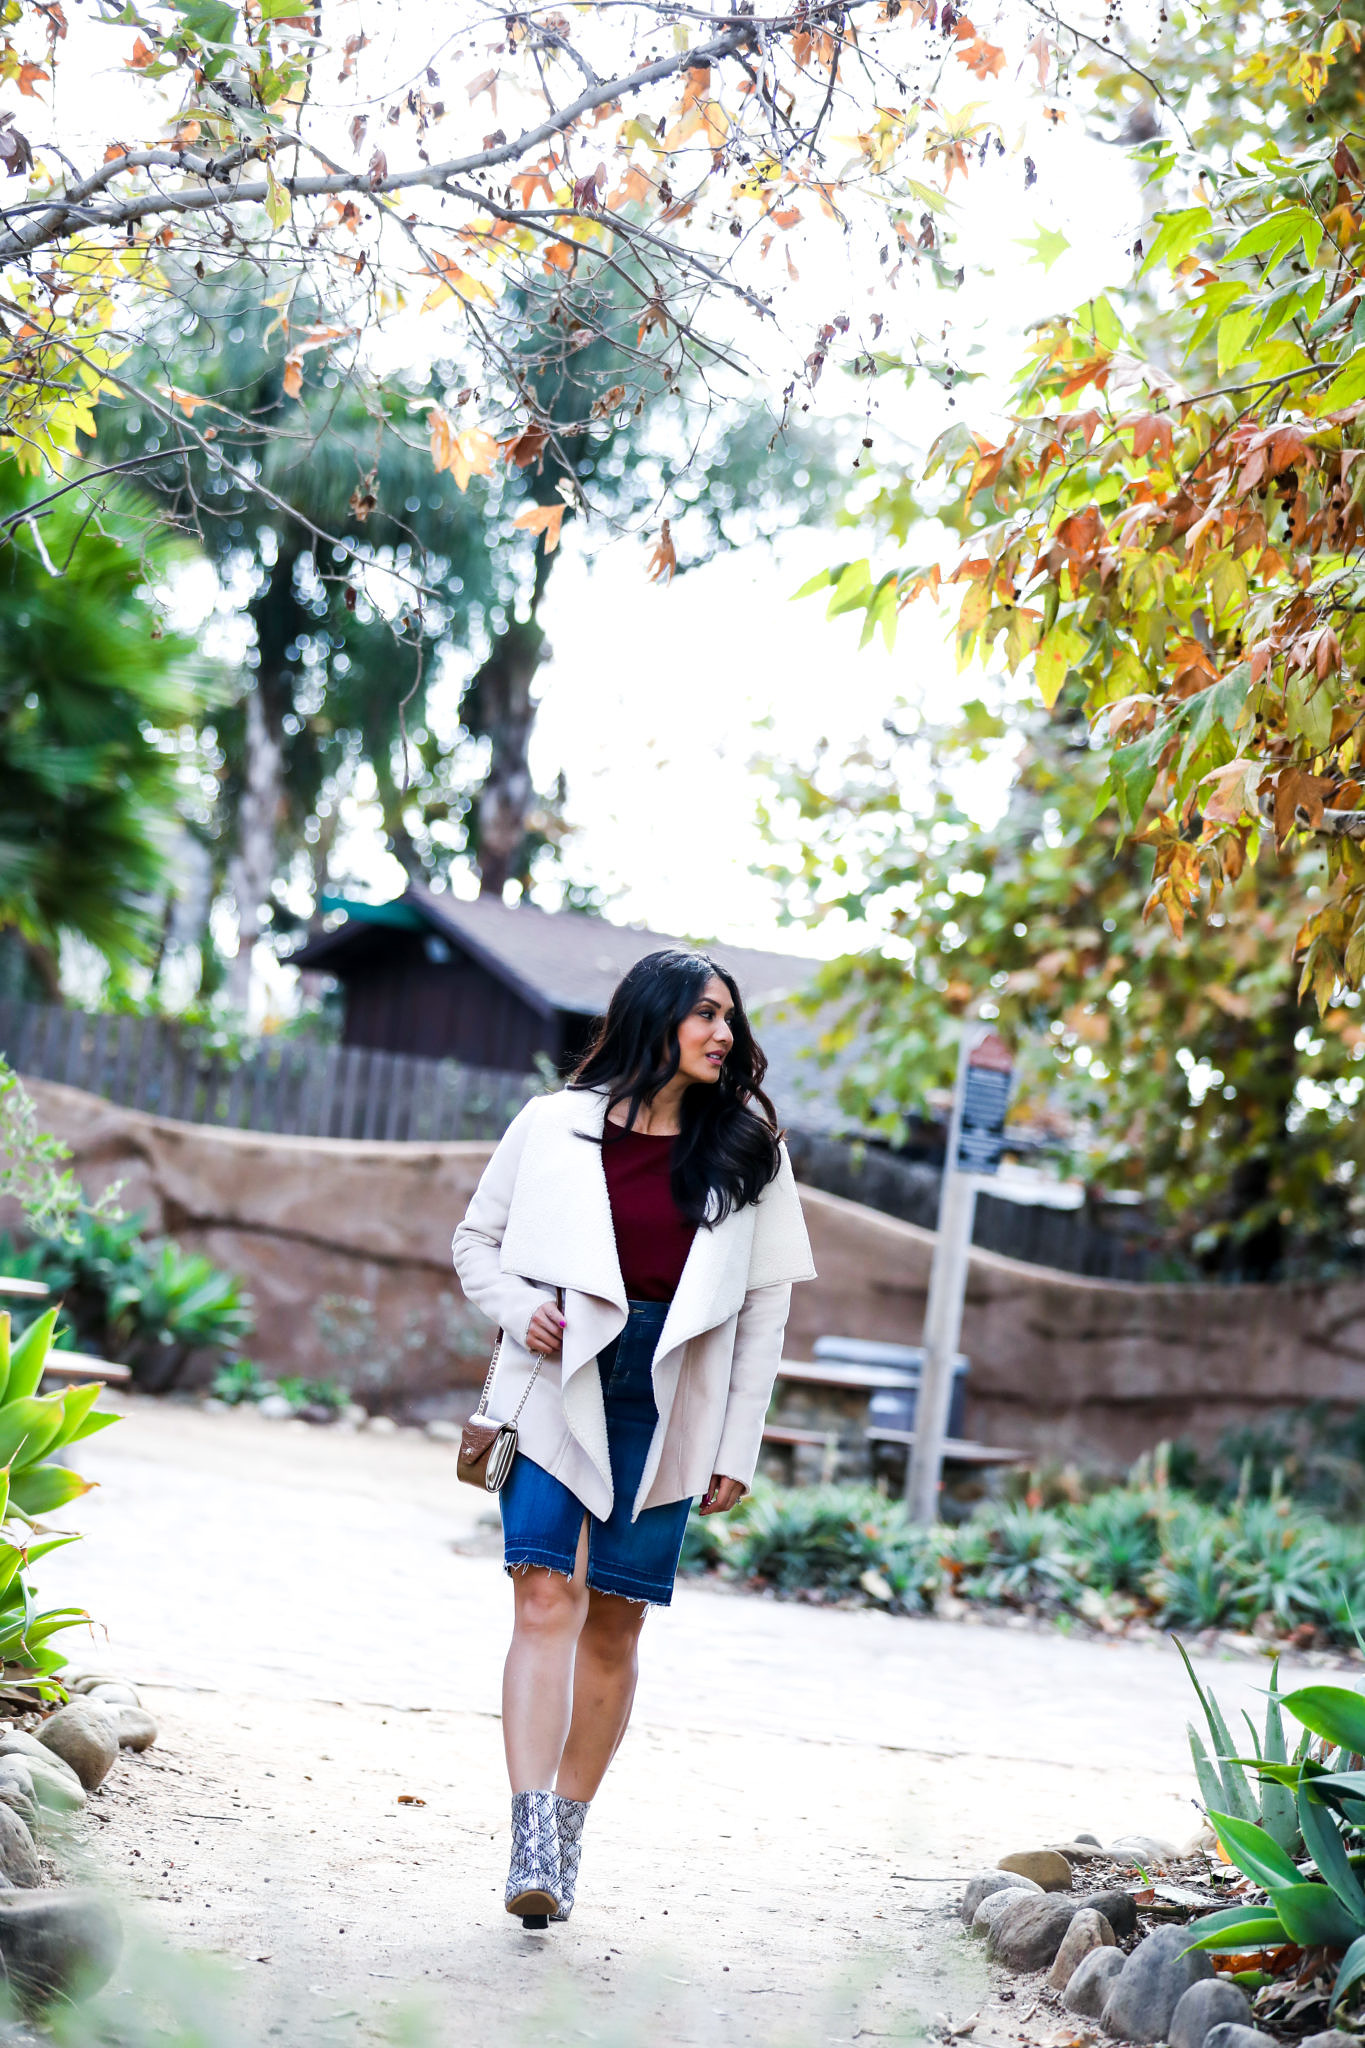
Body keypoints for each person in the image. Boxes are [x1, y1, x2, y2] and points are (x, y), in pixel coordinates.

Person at [452, 947, 816, 1927]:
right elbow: (474, 1243)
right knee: (542, 1594)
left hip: (671, 1394)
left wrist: (737, 1443)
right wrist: (522, 1303)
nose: (723, 1032)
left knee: (614, 1623)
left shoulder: (748, 1150)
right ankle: (529, 1836)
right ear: (652, 1016)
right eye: (705, 1012)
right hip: (554, 1374)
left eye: (730, 1019)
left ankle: (567, 1830)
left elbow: (762, 1313)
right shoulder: (550, 1124)